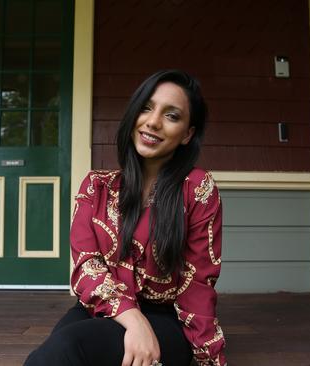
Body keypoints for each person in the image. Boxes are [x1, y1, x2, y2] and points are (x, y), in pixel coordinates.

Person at [24, 70, 226, 366]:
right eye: (146, 107)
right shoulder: (96, 187)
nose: (153, 122)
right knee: (50, 353)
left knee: (71, 347)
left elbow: (198, 286)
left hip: (165, 320)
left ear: (187, 134)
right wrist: (134, 321)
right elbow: (86, 268)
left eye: (171, 116)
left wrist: (210, 360)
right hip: (102, 307)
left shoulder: (197, 190)